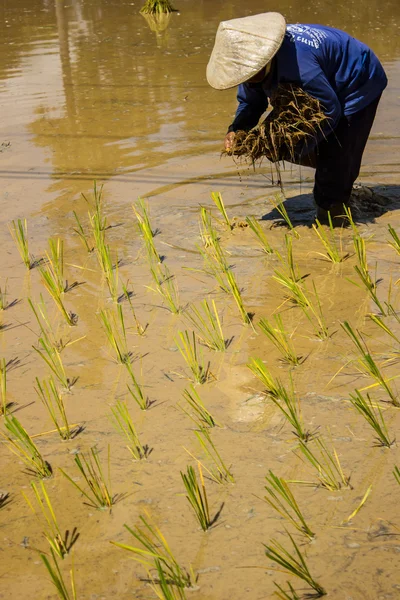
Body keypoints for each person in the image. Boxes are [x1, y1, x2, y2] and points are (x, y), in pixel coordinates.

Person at [206, 13, 388, 224]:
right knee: (282, 145)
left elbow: (330, 110)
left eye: (249, 76)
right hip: (321, 80)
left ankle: (334, 216)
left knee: (338, 149)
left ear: (266, 61)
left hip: (357, 78)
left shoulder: (301, 68)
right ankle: (340, 173)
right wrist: (236, 129)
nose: (246, 81)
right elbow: (251, 103)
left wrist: (302, 146)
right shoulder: (251, 67)